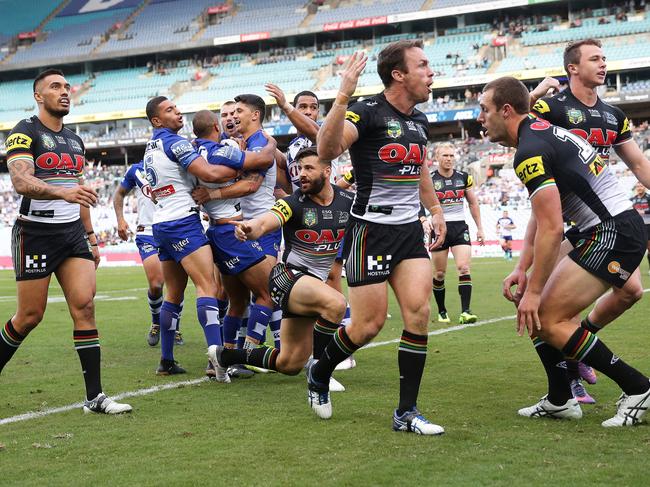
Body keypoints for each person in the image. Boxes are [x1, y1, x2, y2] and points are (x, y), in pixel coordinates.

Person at [479, 76, 650, 427]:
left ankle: (638, 387)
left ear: (506, 110)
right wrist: (523, 269)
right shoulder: (539, 132)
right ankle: (560, 399)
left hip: (613, 231)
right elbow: (543, 218)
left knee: (546, 314)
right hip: (607, 229)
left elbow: (553, 226)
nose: (480, 118)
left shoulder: (530, 150)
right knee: (539, 314)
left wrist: (535, 288)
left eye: (485, 109)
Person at [313, 41, 447, 435]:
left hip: (408, 232)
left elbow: (420, 170)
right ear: (398, 74)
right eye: (423, 65)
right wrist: (342, 96)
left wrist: (436, 211)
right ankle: (319, 372)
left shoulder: (420, 121)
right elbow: (327, 149)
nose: (431, 72)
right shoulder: (367, 111)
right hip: (370, 231)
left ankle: (406, 413)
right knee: (367, 326)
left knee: (419, 315)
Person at [0, 69, 131, 414]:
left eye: (67, 87)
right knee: (29, 316)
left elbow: (81, 195)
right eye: (55, 87)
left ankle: (95, 398)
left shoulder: (75, 140)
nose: (64, 92)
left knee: (85, 307)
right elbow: (22, 182)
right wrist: (64, 192)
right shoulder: (23, 132)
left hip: (72, 232)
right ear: (38, 96)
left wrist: (91, 237)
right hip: (36, 232)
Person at [529, 38, 650, 403]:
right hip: (560, 215)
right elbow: (505, 127)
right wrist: (535, 95)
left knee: (630, 291)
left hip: (600, 217)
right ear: (572, 68)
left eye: (604, 58)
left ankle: (578, 347)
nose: (603, 64)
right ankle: (565, 386)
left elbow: (639, 164)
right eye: (594, 58)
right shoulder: (551, 107)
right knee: (544, 304)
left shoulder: (614, 116)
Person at [143, 96, 274, 380]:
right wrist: (255, 156)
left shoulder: (152, 146)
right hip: (187, 224)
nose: (177, 112)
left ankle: (167, 360)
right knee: (209, 288)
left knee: (176, 295)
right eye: (170, 110)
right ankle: (220, 358)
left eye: (177, 108)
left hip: (162, 223)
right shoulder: (179, 143)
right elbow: (211, 171)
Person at [208, 147, 353, 395]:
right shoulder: (292, 203)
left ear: (327, 171)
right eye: (299, 169)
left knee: (290, 363)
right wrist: (251, 228)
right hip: (287, 278)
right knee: (337, 303)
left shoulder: (348, 202)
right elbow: (266, 221)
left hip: (312, 286)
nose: (302, 175)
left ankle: (224, 355)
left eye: (309, 168)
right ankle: (320, 373)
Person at [189, 109, 277, 379]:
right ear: (216, 126)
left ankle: (220, 360)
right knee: (268, 295)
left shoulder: (193, 154)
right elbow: (258, 163)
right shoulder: (222, 150)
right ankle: (246, 354)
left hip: (216, 231)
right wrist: (271, 143)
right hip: (233, 233)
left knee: (236, 302)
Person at [113, 160, 185, 347]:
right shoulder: (137, 170)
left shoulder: (177, 165)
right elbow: (119, 193)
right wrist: (120, 220)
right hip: (148, 232)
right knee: (156, 283)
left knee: (176, 283)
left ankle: (174, 326)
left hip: (174, 228)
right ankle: (156, 322)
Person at [429, 142, 485, 324]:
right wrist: (423, 220)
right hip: (439, 228)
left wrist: (480, 228)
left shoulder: (464, 177)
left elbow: (473, 203)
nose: (449, 159)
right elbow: (419, 202)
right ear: (437, 157)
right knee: (439, 273)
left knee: (464, 267)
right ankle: (442, 311)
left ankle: (466, 311)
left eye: (451, 156)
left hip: (460, 227)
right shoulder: (429, 179)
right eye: (445, 155)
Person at [265, 84, 320, 194]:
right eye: (303, 107)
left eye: (313, 107)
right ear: (295, 109)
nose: (308, 111)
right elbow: (292, 187)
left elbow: (315, 133)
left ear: (318, 112)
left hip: (325, 207)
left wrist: (285, 105)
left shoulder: (324, 134)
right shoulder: (292, 146)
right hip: (303, 207)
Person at [630, 181, 650, 273]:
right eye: (638, 186)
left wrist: (644, 212)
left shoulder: (648, 197)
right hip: (637, 227)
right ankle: (633, 270)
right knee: (636, 248)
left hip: (648, 226)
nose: (639, 188)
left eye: (641, 186)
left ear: (644, 187)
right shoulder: (632, 199)